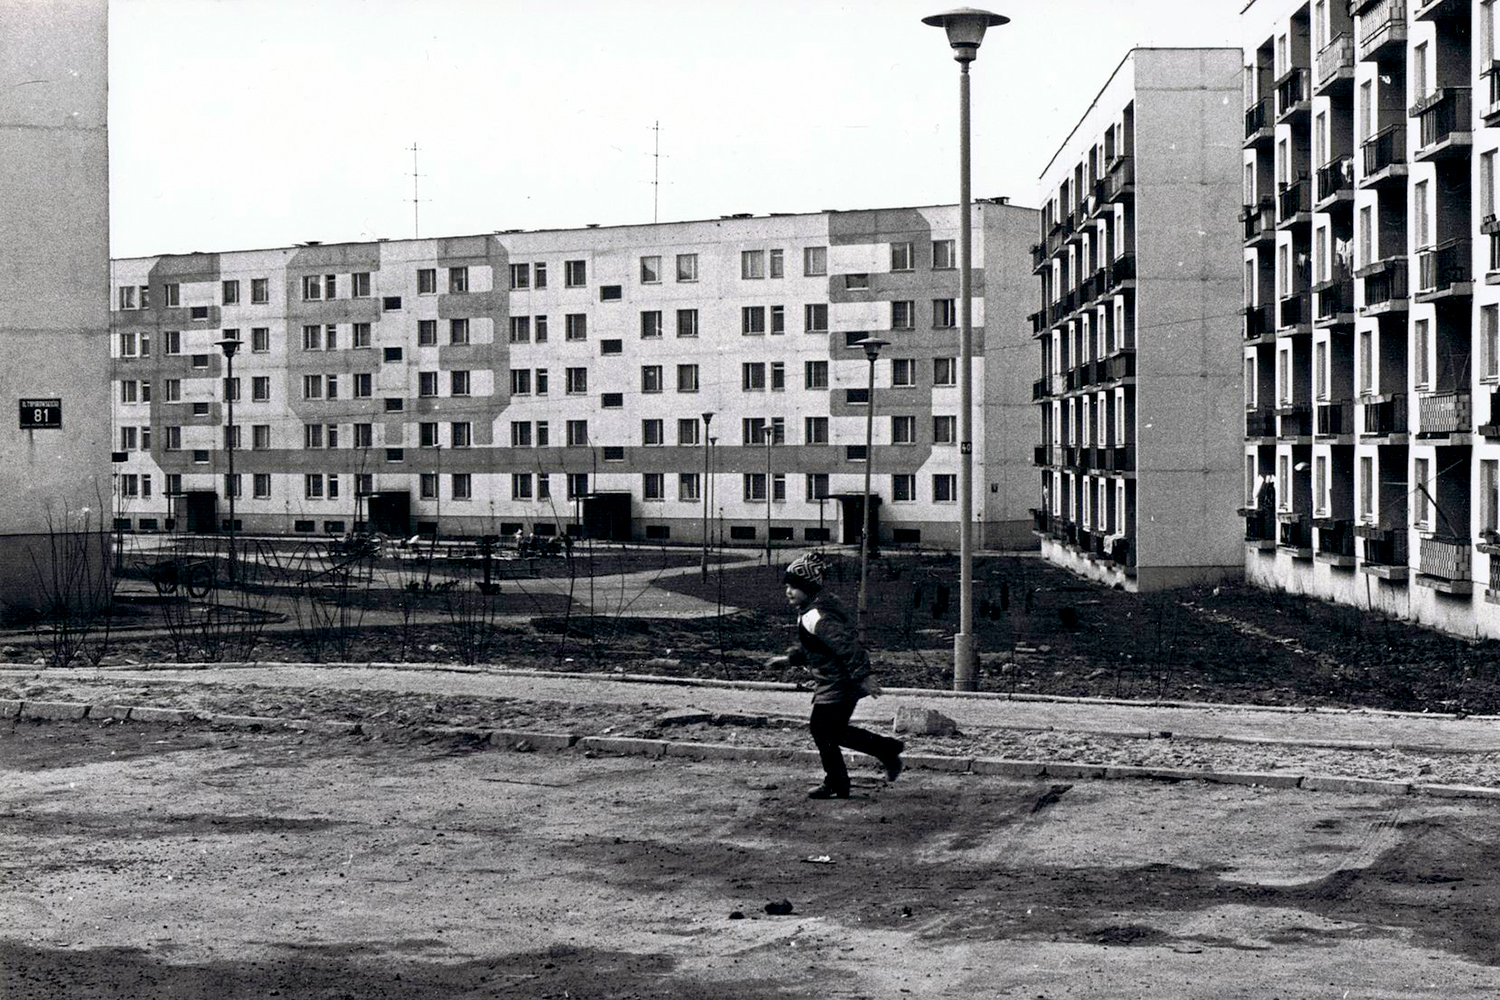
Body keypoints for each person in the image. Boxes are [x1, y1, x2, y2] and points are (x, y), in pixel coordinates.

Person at [767, 552, 904, 799]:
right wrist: (790, 659)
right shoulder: (814, 609)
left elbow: (846, 645)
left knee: (822, 730)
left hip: (839, 682)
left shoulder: (816, 615)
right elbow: (817, 647)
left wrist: (864, 676)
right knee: (831, 731)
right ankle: (882, 753)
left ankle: (846, 776)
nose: (789, 591)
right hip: (837, 680)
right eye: (787, 586)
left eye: (795, 586)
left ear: (809, 587)